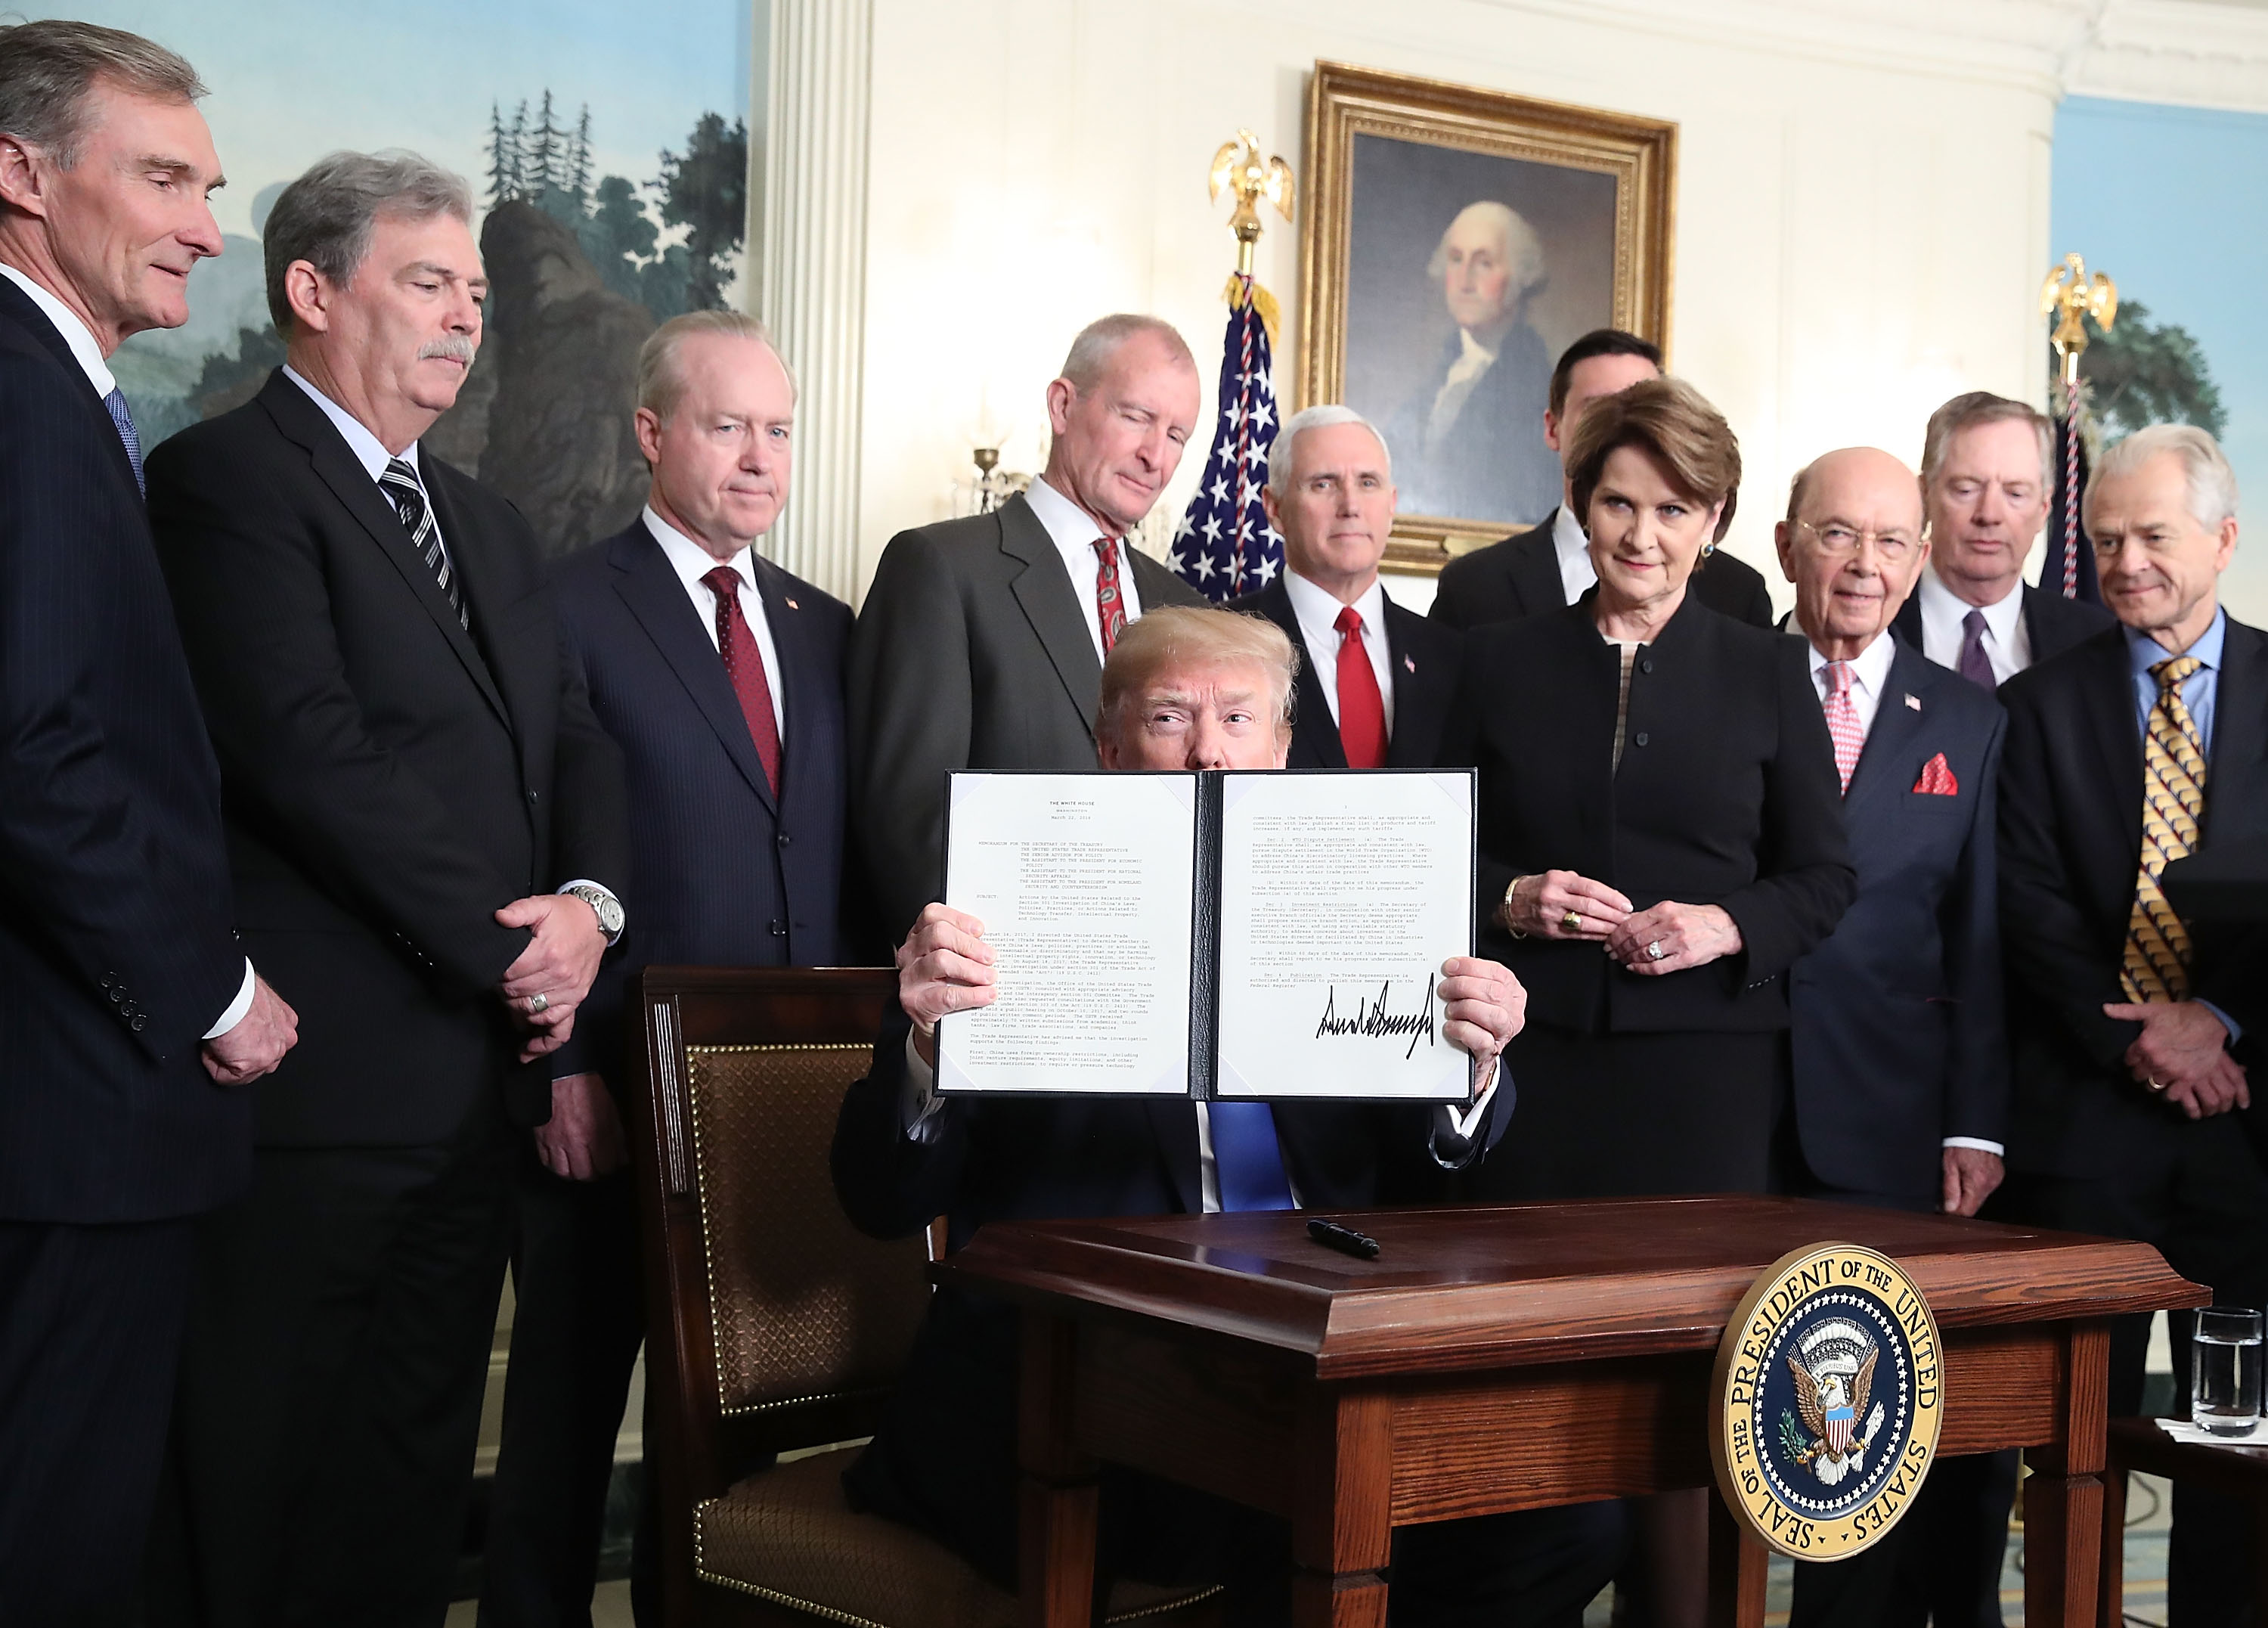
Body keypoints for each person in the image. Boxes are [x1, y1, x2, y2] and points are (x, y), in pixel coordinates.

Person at [832, 604, 1622, 1626]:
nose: (1209, 751)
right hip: (1076, 1384)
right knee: (1279, 1532)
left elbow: (1436, 1172)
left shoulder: (1360, 896)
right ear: (1109, 748)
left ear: (1284, 749)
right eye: (1170, 719)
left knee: (1571, 1525)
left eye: (1239, 719)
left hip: (1318, 1362)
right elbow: (879, 1196)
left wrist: (1469, 1071)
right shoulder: (998, 903)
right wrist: (930, 1045)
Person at [143, 150, 630, 1625]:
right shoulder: (220, 480)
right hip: (317, 1093)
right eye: (428, 283)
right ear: (313, 288)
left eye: (476, 292)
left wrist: (590, 908)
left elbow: (574, 736)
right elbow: (312, 757)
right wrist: (514, 947)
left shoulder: (485, 519)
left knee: (411, 1484)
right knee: (265, 1476)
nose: (465, 318)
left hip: (469, 1094)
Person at [1444, 375, 1853, 1628]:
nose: (1643, 535)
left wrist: (1729, 921)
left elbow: (1825, 875)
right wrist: (1514, 899)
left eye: (1674, 509)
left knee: (1690, 1403)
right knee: (1527, 1383)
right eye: (1619, 503)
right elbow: (1421, 856)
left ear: (1716, 517)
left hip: (1708, 1087)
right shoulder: (1495, 661)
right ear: (1580, 503)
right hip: (1538, 1076)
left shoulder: (1769, 670)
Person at [478, 310, 853, 1623]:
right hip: (617, 1096)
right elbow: (527, 860)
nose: (760, 458)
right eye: (727, 425)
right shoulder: (564, 607)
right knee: (568, 1426)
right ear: (653, 433)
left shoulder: (826, 626)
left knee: (729, 1437)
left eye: (780, 430)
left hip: (780, 1108)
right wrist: (564, 1070)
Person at [0, 22, 296, 1620]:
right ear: (19, 176)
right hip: (65, 1111)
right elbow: (35, 747)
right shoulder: (22, 392)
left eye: (211, 185)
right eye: (165, 177)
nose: (205, 222)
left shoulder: (54, 386)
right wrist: (212, 986)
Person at [1997, 423, 2268, 1626]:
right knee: (2080, 1438)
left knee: (2238, 1434)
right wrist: (2144, 1036)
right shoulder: (2035, 706)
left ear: (2223, 536)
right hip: (2088, 1118)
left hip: (2248, 1130)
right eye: (2105, 539)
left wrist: (2219, 1019)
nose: (2125, 562)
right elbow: (2030, 903)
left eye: (2153, 536)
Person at [1770, 449, 2012, 1628]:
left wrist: (1975, 1118)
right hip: (1734, 1096)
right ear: (1784, 545)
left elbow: (1978, 936)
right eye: (1835, 536)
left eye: (1886, 542)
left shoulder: (1968, 718)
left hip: (1889, 1118)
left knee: (1854, 1419)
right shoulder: (1724, 678)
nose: (1862, 566)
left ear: (1919, 560)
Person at [850, 313, 1206, 941]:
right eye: (1136, 417)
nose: (1156, 455)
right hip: (999, 989)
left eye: (1177, 434)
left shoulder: (1184, 605)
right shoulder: (942, 568)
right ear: (1063, 405)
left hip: (1157, 979)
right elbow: (909, 825)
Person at [1430, 328, 1775, 631]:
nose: (1627, 425)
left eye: (1650, 407)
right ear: (1553, 427)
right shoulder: (1473, 585)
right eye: (1600, 409)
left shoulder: (1739, 593)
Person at [1228, 405, 1461, 769]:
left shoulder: (1450, 656)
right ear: (1274, 509)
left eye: (1368, 483)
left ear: (1392, 506)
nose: (1350, 505)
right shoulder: (1225, 640)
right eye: (1324, 484)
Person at [1891, 390, 2113, 684]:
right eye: (1966, 490)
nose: (1989, 515)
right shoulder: (1871, 625)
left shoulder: (2095, 641)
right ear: (1925, 494)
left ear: (2044, 508)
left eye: (2015, 494)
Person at [1380, 200, 1561, 523]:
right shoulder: (1441, 373)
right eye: (1456, 259)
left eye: (1484, 263)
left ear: (1520, 277)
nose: (1465, 279)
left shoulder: (1535, 388)